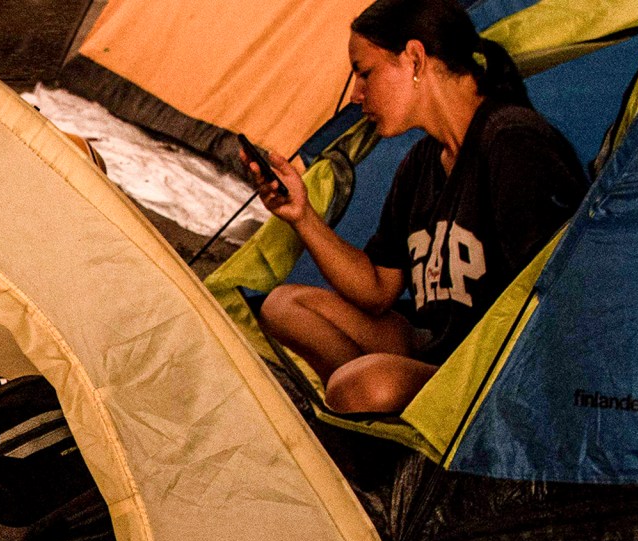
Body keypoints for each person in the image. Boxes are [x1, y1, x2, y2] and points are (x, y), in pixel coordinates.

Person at [248, 0, 587, 415]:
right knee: (284, 307)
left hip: (490, 375)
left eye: (365, 72)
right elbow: (377, 290)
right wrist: (302, 215)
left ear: (414, 58)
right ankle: (369, 409)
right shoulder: (422, 163)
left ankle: (369, 413)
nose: (356, 95)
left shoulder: (514, 144)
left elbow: (557, 306)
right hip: (437, 345)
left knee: (364, 385)